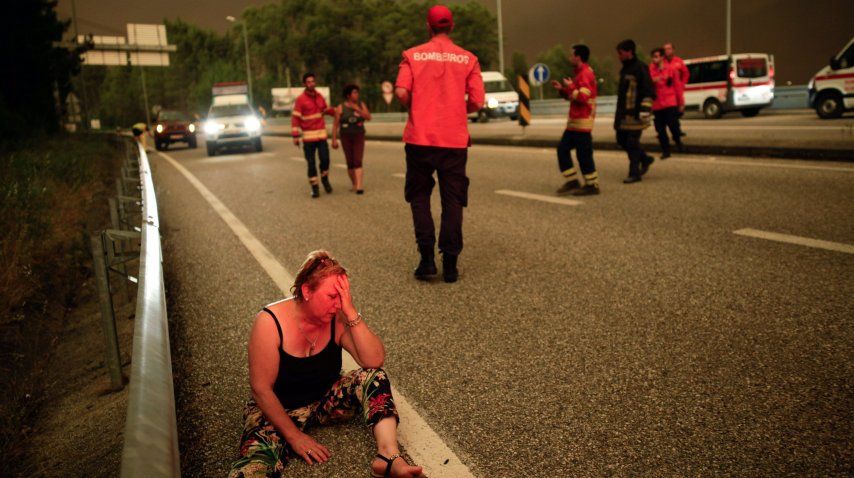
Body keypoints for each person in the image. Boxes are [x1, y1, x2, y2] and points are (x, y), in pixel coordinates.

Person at [228, 251, 424, 478]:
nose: (338, 303)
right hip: (279, 409)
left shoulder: (337, 316)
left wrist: (350, 311)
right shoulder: (269, 322)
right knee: (252, 469)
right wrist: (294, 436)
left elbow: (373, 360)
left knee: (374, 377)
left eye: (343, 296)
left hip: (323, 401)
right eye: (333, 296)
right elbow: (260, 389)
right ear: (307, 291)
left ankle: (388, 457)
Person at [394, 4, 484, 283]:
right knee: (453, 199)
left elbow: (400, 92)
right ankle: (451, 265)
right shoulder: (468, 59)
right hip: (454, 141)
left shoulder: (412, 55)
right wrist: (458, 111)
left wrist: (417, 108)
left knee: (420, 197)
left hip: (419, 138)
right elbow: (478, 101)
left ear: (428, 26)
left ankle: (427, 260)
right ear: (452, 26)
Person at [550, 44, 600, 196]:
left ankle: (592, 184)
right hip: (574, 123)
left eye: (571, 55)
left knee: (583, 154)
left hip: (583, 122)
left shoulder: (586, 74)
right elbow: (573, 96)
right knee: (562, 150)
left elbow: (584, 97)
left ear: (578, 57)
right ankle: (572, 181)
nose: (569, 58)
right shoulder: (579, 74)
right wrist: (562, 90)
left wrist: (571, 86)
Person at [614, 39, 656, 184]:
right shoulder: (624, 69)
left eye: (620, 53)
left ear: (629, 52)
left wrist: (645, 110)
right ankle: (645, 159)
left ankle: (634, 173)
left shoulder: (640, 68)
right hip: (624, 115)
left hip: (636, 114)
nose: (618, 56)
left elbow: (648, 90)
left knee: (632, 142)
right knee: (621, 140)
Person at [292, 73, 336, 198]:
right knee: (311, 163)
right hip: (308, 138)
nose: (312, 83)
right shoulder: (300, 100)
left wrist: (335, 111)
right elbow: (295, 118)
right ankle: (315, 187)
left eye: (313, 81)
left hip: (321, 136)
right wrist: (295, 136)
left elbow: (326, 110)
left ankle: (325, 179)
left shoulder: (320, 96)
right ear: (305, 84)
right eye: (309, 82)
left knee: (325, 160)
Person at [332, 84, 372, 194]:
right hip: (346, 136)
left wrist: (358, 109)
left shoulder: (361, 104)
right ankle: (354, 183)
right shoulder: (340, 107)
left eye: (357, 92)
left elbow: (368, 117)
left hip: (359, 135)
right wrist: (334, 140)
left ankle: (359, 186)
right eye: (355, 92)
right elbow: (335, 125)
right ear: (348, 95)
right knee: (350, 162)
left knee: (357, 160)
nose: (357, 95)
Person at [649, 47, 683, 159]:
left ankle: (678, 143)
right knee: (660, 130)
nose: (654, 59)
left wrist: (680, 103)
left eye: (656, 56)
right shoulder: (650, 70)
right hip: (657, 104)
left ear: (662, 57)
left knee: (673, 125)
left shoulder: (671, 69)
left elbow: (677, 86)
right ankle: (666, 150)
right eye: (653, 57)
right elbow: (646, 85)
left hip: (670, 103)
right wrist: (652, 81)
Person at [663, 42, 689, 141]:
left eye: (669, 49)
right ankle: (669, 131)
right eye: (665, 49)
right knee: (668, 112)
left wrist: (682, 84)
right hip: (666, 92)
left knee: (678, 112)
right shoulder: (662, 62)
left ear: (673, 50)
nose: (667, 51)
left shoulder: (678, 61)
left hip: (677, 90)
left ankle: (677, 130)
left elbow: (686, 73)